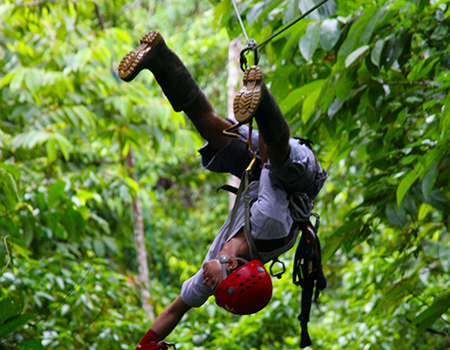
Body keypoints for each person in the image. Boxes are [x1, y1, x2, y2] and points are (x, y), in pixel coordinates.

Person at [118, 30, 327, 350]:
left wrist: (146, 344)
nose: (207, 282)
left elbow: (178, 308)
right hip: (298, 180)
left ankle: (159, 58)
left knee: (210, 128)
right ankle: (261, 94)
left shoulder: (216, 268)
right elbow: (269, 154)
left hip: (258, 179)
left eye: (211, 288)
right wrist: (257, 112)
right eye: (214, 283)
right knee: (283, 156)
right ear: (234, 267)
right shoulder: (268, 222)